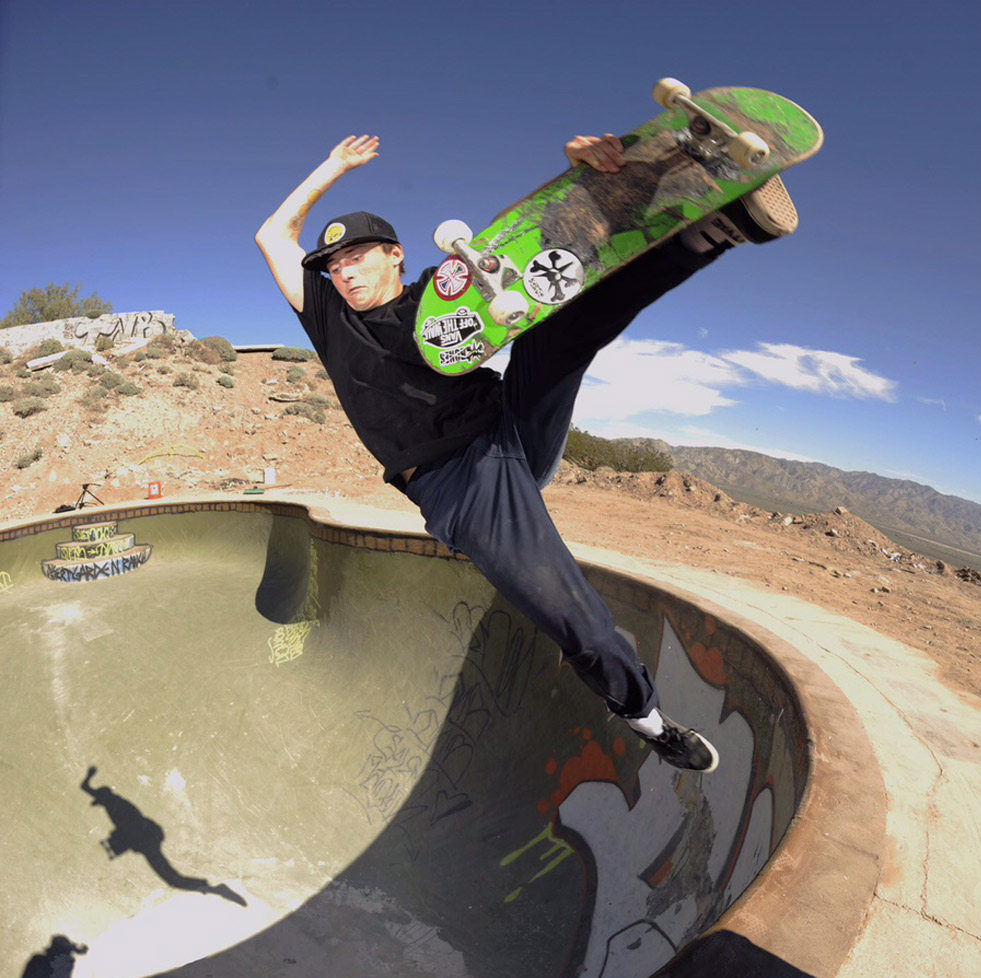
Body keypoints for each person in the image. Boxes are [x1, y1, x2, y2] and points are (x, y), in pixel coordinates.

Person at [255, 132, 800, 772]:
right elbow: (272, 236)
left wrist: (583, 189)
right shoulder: (326, 315)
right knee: (578, 619)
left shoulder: (445, 291)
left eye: (356, 258)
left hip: (511, 424)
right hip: (458, 482)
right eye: (334, 264)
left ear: (395, 255)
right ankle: (646, 718)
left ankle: (715, 230)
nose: (342, 272)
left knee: (557, 332)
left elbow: (544, 263)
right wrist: (334, 165)